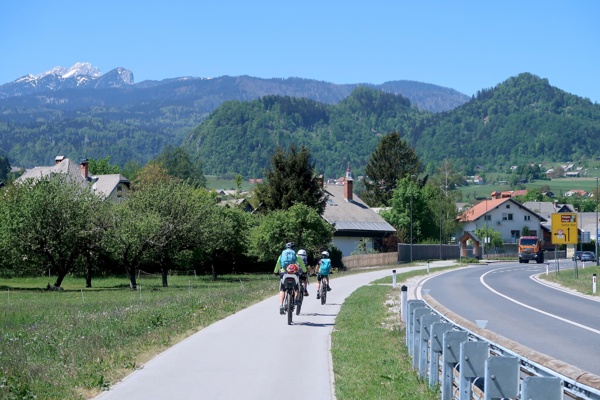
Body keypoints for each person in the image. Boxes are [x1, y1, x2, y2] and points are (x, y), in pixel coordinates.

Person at [273, 242, 307, 314]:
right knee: (297, 286)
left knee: (282, 289)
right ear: (293, 248)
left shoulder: (282, 255)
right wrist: (304, 271)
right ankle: (296, 300)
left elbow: (278, 264)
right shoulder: (295, 255)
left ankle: (281, 305)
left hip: (284, 273)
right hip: (293, 273)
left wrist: (276, 272)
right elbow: (301, 264)